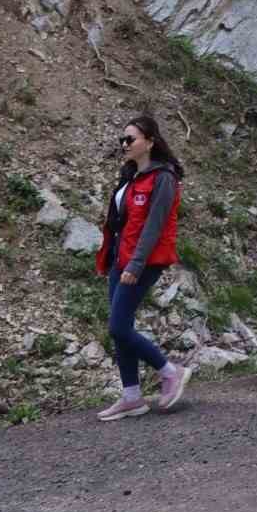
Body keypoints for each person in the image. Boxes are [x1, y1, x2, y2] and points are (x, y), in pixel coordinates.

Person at [95, 115, 190, 420]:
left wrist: (135, 264)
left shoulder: (164, 178)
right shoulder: (130, 174)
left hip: (144, 261)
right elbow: (120, 222)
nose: (124, 144)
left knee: (118, 327)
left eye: (130, 139)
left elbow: (154, 227)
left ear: (149, 141)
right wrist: (110, 257)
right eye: (122, 139)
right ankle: (132, 396)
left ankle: (170, 371)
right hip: (120, 259)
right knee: (122, 330)